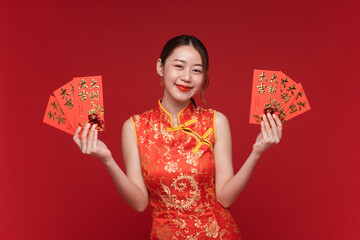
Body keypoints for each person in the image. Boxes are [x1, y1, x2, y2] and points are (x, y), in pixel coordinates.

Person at [73, 35, 283, 239]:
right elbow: (139, 203)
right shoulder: (135, 127)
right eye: (179, 66)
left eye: (197, 70)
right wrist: (107, 159)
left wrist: (256, 152)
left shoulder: (216, 121)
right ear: (160, 67)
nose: (187, 77)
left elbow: (225, 197)